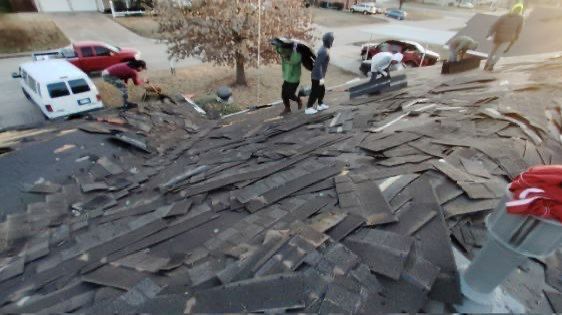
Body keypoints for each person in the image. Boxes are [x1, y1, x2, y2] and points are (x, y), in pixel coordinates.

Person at [483, 4, 524, 71]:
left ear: (513, 9)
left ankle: (487, 64)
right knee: (499, 53)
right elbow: (519, 30)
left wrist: (489, 33)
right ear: (520, 11)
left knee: (492, 52)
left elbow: (495, 25)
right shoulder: (521, 18)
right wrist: (516, 38)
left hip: (498, 37)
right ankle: (492, 65)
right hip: (508, 38)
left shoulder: (504, 16)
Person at [306, 32, 334, 115]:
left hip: (319, 75)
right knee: (315, 92)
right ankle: (308, 108)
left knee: (322, 90)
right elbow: (318, 65)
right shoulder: (323, 51)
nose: (332, 41)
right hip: (317, 76)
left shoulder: (324, 49)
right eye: (332, 40)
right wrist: (321, 77)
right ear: (329, 41)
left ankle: (320, 104)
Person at [276, 42, 303, 115]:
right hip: (287, 78)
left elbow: (293, 61)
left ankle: (298, 100)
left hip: (294, 80)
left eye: (284, 52)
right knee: (283, 94)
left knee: (290, 95)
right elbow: (279, 50)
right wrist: (277, 44)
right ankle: (287, 108)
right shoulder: (284, 55)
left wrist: (295, 49)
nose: (282, 54)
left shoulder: (296, 56)